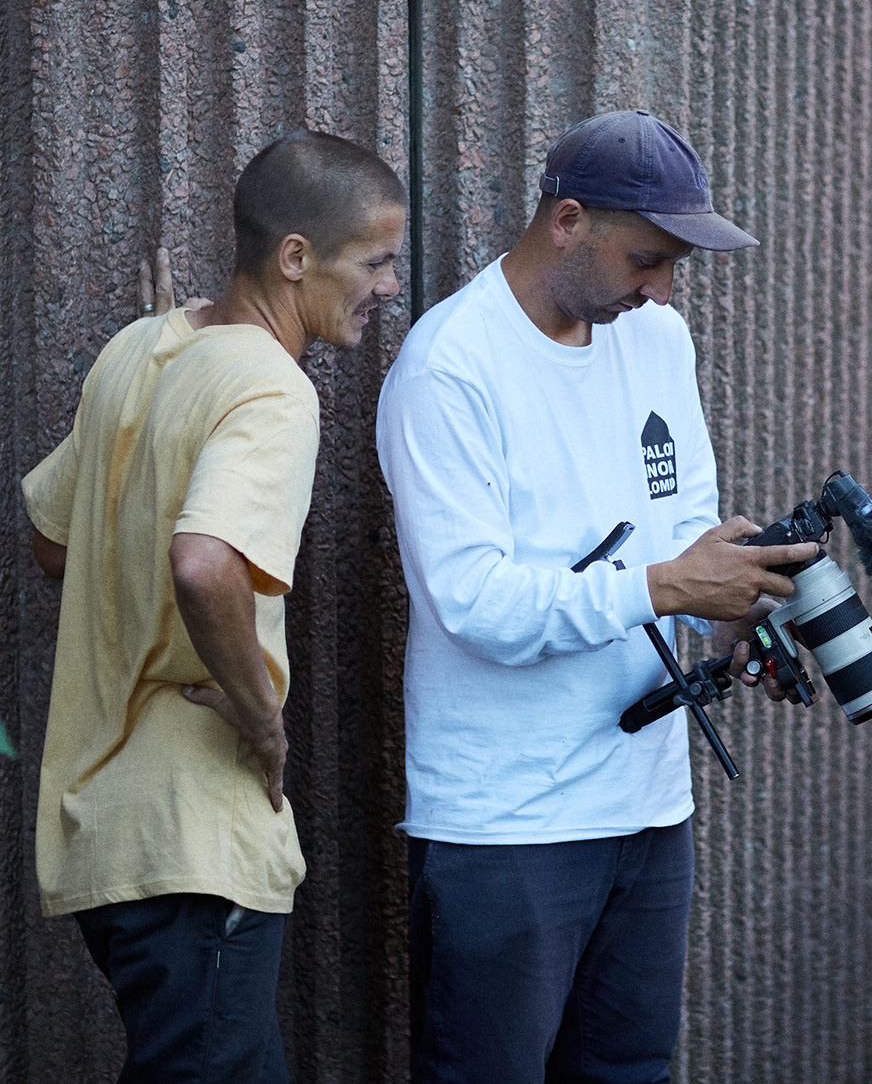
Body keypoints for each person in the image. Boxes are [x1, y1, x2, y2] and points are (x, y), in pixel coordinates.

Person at [376, 110, 817, 1084]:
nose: (661, 290)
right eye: (646, 258)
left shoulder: (657, 339)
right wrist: (666, 583)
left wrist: (736, 603)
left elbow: (681, 525)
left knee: (631, 1071)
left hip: (652, 809)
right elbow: (473, 601)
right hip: (509, 822)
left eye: (674, 267)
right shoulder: (448, 368)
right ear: (566, 220)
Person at [23, 129, 405, 1083]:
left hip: (105, 835)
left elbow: (50, 541)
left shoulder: (142, 348)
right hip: (195, 841)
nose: (389, 287)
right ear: (295, 258)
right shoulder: (274, 389)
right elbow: (203, 564)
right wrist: (263, 717)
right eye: (376, 261)